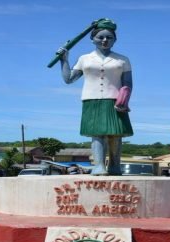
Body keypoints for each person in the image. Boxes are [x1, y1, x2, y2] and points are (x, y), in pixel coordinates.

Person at [57, 18, 133, 175]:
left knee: (115, 135)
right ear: (93, 39)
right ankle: (99, 165)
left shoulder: (123, 59)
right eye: (101, 37)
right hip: (91, 100)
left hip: (115, 101)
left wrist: (124, 99)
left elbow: (128, 83)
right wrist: (64, 60)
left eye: (109, 37)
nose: (105, 40)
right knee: (97, 134)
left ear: (114, 40)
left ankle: (114, 165)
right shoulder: (84, 59)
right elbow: (69, 79)